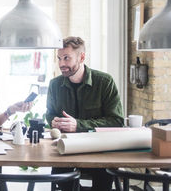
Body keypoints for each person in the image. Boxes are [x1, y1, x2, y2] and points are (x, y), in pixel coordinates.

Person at [46, 36, 124, 191]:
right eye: (59, 58)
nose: (61, 64)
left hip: (99, 151)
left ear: (82, 57)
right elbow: (49, 114)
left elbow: (117, 121)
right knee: (61, 179)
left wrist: (78, 125)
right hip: (66, 149)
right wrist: (53, 121)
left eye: (67, 58)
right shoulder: (54, 85)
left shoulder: (104, 81)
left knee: (104, 182)